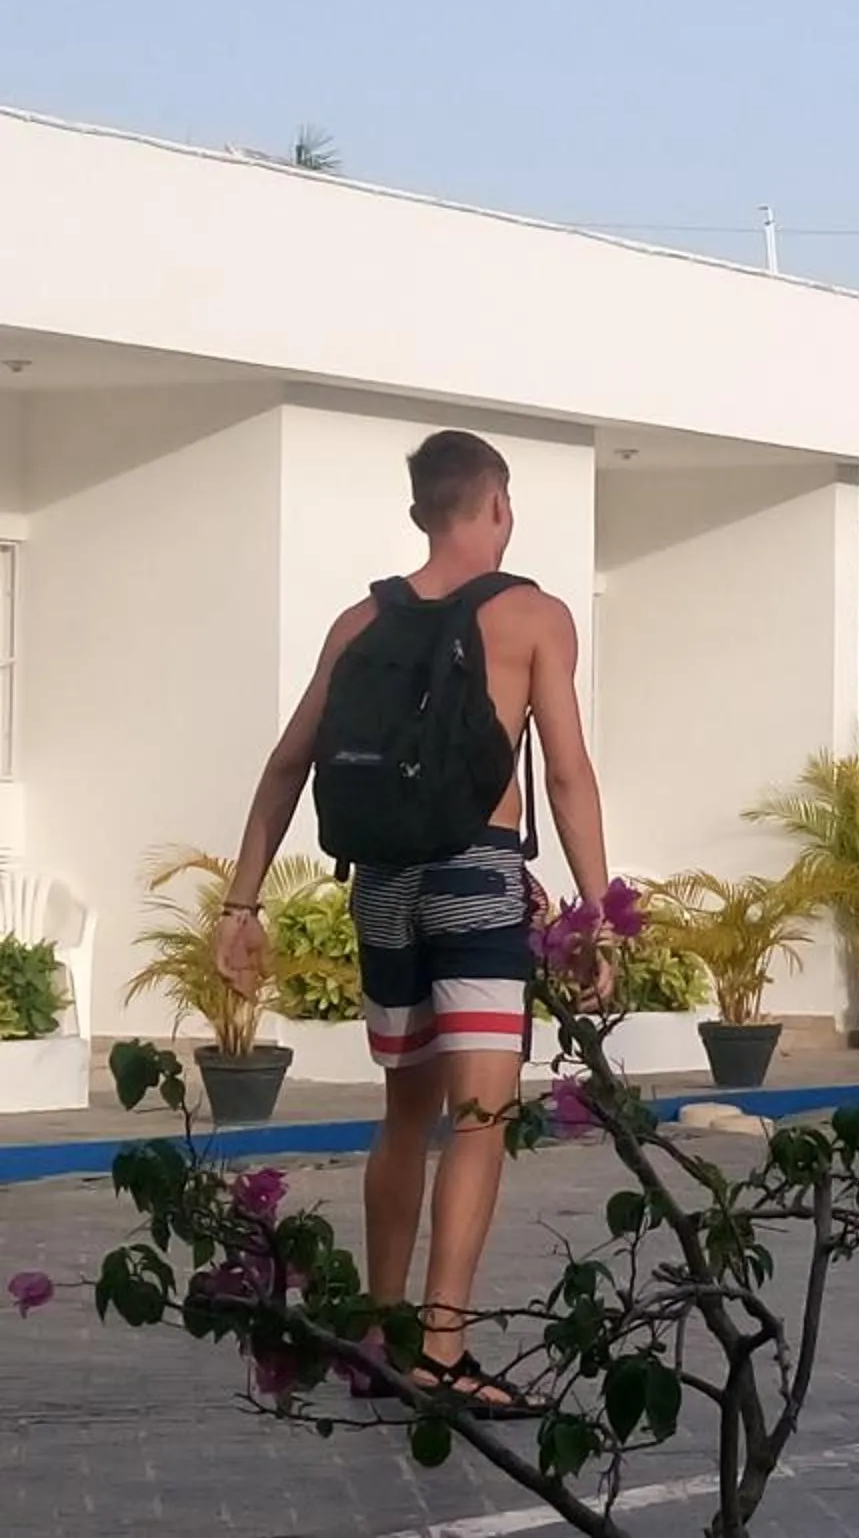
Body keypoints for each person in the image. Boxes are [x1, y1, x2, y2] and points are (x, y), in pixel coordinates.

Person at [213, 430, 612, 1414]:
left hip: (382, 886)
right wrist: (598, 913)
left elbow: (287, 763)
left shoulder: (360, 621)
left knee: (405, 1114)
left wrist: (241, 903)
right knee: (480, 1119)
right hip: (476, 876)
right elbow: (565, 774)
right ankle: (440, 1350)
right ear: (499, 505)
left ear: (418, 512)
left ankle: (378, 1337)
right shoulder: (533, 617)